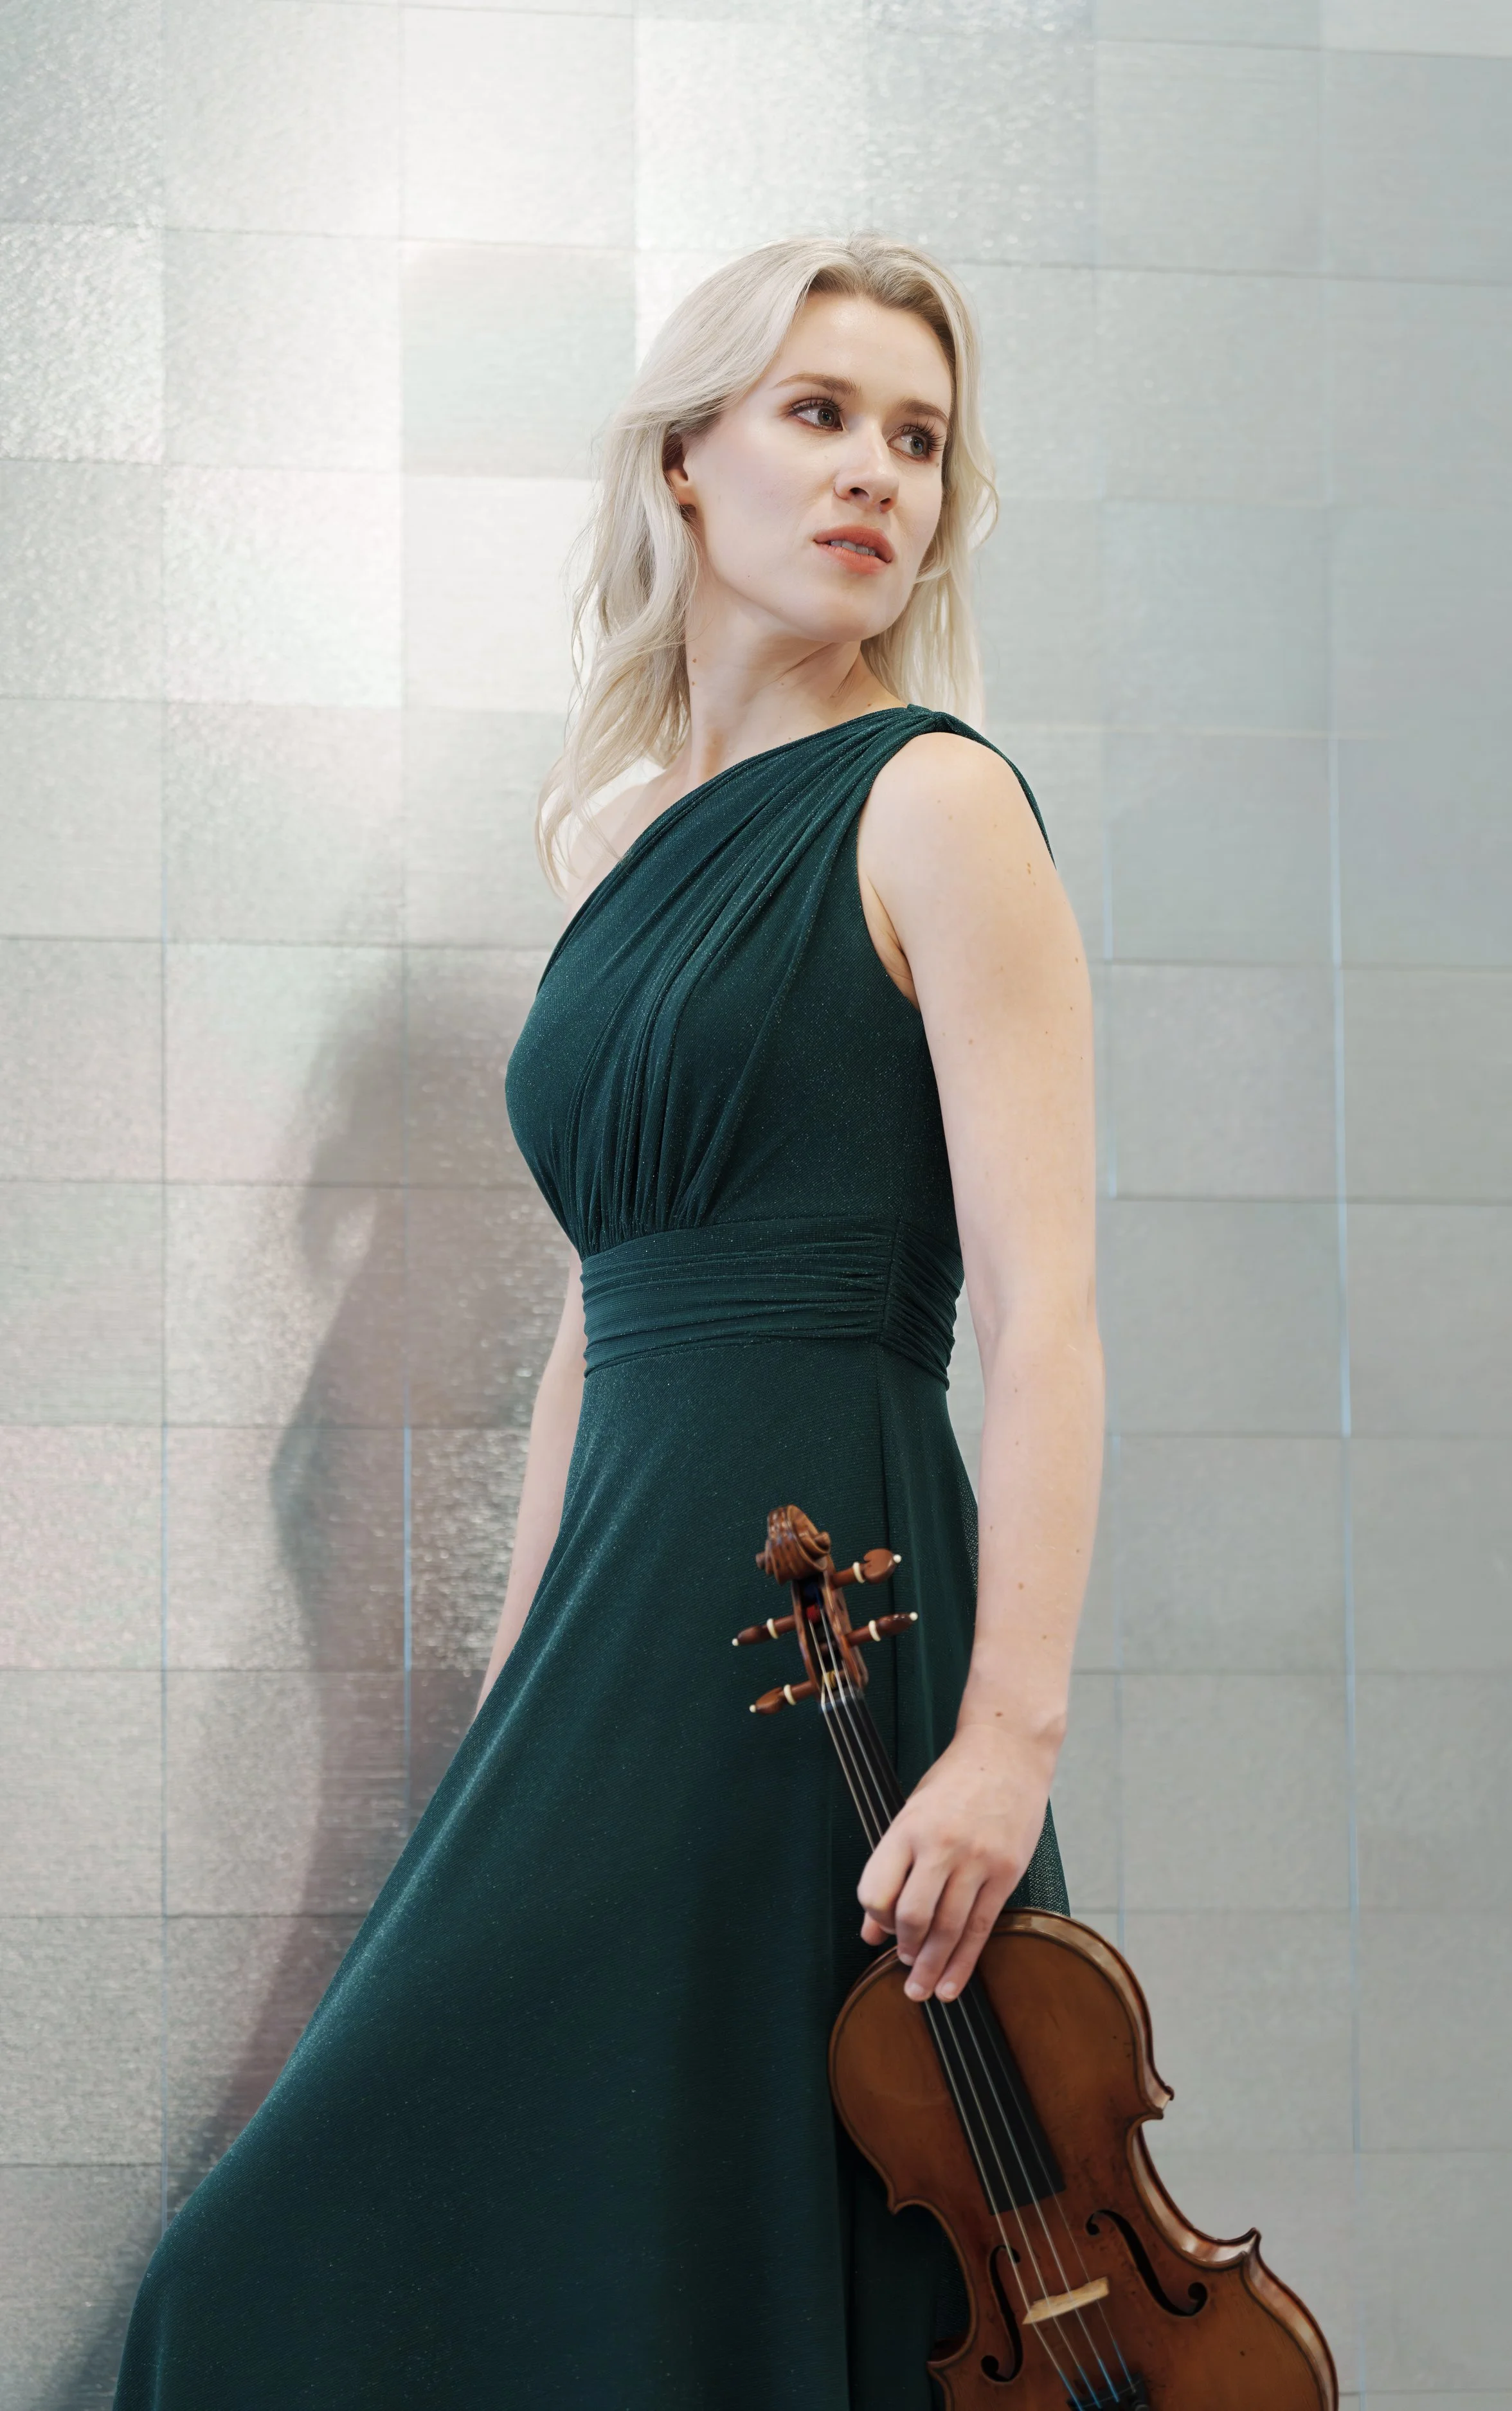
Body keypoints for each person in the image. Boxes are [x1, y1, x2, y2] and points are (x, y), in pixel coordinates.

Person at [111, 231, 1104, 2411]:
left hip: (828, 1609)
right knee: (347, 2252)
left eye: (919, 440)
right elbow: (602, 1300)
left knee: (772, 2196)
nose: (877, 476)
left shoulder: (937, 800)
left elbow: (1042, 1311)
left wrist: (1008, 1736)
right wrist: (508, 1688)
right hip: (625, 1613)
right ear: (685, 463)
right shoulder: (611, 843)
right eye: (819, 414)